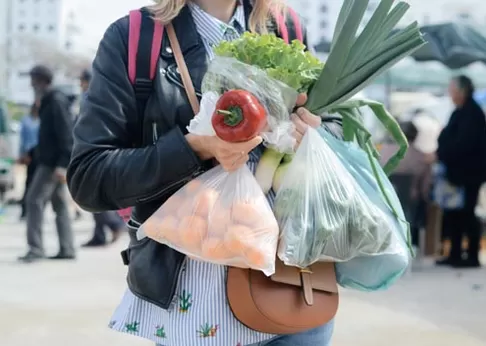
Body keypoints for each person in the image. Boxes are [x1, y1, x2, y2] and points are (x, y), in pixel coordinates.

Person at [67, 1, 340, 345]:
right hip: (197, 314)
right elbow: (89, 177)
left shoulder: (284, 28)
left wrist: (314, 134)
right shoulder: (137, 37)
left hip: (295, 294)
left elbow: (334, 125)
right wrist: (193, 149)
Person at [19, 65, 75, 263]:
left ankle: (35, 248)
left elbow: (66, 135)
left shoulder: (55, 101)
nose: (31, 84)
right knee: (59, 204)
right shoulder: (48, 101)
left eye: (33, 80)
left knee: (33, 201)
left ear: (42, 80)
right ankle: (67, 248)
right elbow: (48, 138)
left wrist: (62, 165)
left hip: (52, 165)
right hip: (49, 161)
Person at [435, 75, 486, 268]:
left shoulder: (472, 113)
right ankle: (455, 253)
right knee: (454, 215)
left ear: (461, 91)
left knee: (467, 214)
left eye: (452, 90)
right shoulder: (460, 113)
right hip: (457, 174)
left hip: (469, 174)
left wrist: (444, 151)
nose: (450, 94)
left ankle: (472, 255)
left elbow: (463, 144)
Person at [78, 68, 126, 248]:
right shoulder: (101, 94)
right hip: (98, 151)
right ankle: (99, 234)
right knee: (94, 195)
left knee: (93, 195)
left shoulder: (93, 97)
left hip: (96, 152)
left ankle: (114, 225)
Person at [18, 101, 41, 220]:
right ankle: (24, 210)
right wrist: (22, 154)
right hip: (30, 153)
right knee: (29, 182)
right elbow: (23, 139)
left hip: (41, 154)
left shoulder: (41, 121)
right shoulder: (26, 121)